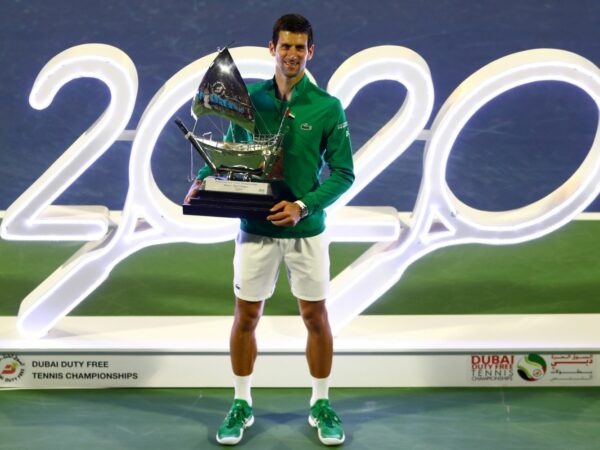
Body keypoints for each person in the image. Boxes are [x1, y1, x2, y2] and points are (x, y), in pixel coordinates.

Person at [185, 13, 354, 446]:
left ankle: (321, 403)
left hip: (307, 231)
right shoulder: (249, 101)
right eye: (286, 46)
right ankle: (240, 402)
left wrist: (302, 205)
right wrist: (208, 181)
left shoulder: (327, 107)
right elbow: (231, 157)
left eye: (300, 47)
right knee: (246, 317)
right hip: (256, 231)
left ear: (310, 52)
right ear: (272, 49)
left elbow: (343, 172)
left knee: (315, 317)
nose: (292, 54)